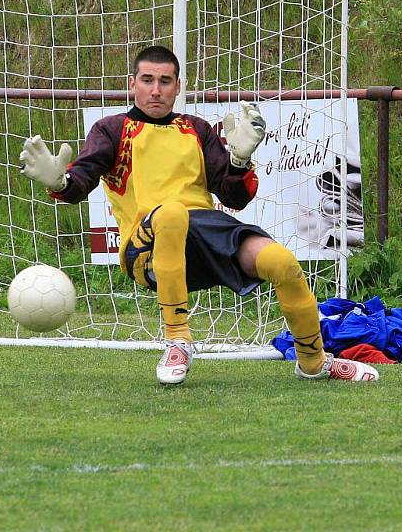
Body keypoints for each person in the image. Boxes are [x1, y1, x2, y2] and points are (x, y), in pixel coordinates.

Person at [20, 45, 379, 386]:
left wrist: (239, 161)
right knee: (173, 212)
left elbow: (234, 198)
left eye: (165, 81)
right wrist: (61, 181)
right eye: (147, 80)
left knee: (281, 262)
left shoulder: (196, 129)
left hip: (207, 232)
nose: (155, 90)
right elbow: (81, 181)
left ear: (178, 86)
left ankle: (314, 362)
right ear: (132, 84)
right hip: (144, 248)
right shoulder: (112, 130)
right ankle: (178, 341)